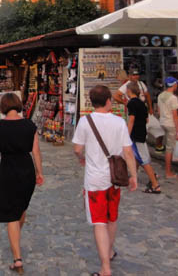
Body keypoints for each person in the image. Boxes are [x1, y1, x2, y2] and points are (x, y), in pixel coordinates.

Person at [73, 85, 137, 276]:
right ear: (109, 101)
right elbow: (127, 152)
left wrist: (81, 158)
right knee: (111, 217)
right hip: (114, 179)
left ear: (92, 102)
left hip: (95, 180)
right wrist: (133, 175)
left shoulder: (85, 122)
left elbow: (77, 149)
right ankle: (109, 251)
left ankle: (105, 268)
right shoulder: (119, 122)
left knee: (99, 221)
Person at [0, 93, 44, 274]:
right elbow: (36, 152)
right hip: (27, 171)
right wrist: (39, 172)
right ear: (19, 105)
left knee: (12, 214)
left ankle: (17, 259)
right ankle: (15, 237)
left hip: (8, 171)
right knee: (21, 208)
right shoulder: (30, 125)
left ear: (3, 106)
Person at [113, 68, 165, 152]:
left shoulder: (141, 84)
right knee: (138, 132)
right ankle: (135, 149)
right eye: (133, 75)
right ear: (129, 76)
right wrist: (126, 103)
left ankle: (158, 146)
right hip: (135, 109)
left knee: (158, 128)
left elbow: (147, 95)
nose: (136, 77)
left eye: (137, 75)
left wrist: (150, 108)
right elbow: (116, 96)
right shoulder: (127, 85)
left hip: (144, 109)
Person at [126, 82, 161, 194]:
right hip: (142, 132)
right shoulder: (142, 103)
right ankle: (133, 176)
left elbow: (131, 120)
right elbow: (146, 120)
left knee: (144, 160)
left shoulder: (131, 103)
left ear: (129, 91)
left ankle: (155, 185)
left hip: (136, 134)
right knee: (137, 156)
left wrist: (127, 134)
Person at [157, 77, 178, 179]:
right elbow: (175, 116)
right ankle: (168, 172)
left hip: (163, 122)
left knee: (171, 143)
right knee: (169, 148)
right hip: (170, 123)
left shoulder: (160, 95)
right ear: (174, 85)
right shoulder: (173, 98)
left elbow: (159, 110)